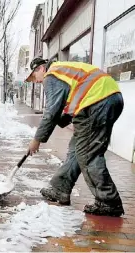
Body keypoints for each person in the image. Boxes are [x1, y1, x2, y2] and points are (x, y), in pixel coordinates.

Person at [25, 57, 124, 217]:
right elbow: (61, 111)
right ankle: (60, 189)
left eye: (34, 77)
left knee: (88, 154)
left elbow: (52, 111)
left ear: (40, 69)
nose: (36, 81)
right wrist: (58, 118)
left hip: (97, 102)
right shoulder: (63, 71)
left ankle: (108, 201)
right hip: (104, 99)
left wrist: (37, 140)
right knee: (77, 149)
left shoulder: (52, 75)